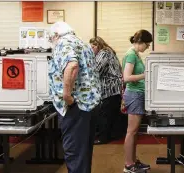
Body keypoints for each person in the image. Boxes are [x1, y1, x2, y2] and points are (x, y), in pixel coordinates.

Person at [48, 21, 101, 173]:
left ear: (56, 35)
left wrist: (67, 96)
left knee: (74, 152)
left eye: (51, 39)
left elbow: (72, 66)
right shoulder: (82, 44)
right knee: (83, 152)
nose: (52, 43)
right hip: (89, 104)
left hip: (75, 106)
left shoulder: (63, 43)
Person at [122, 29, 153, 173]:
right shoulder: (130, 55)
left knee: (135, 132)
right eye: (147, 44)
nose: (147, 47)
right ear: (140, 42)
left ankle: (133, 161)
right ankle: (129, 165)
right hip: (134, 95)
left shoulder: (135, 54)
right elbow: (126, 78)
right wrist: (145, 75)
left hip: (137, 94)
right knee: (131, 132)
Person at [89, 36, 125, 144]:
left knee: (104, 114)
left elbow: (96, 70)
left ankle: (102, 138)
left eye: (92, 47)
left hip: (109, 88)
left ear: (97, 45)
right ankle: (114, 135)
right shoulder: (109, 52)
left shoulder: (104, 53)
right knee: (111, 114)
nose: (91, 50)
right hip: (114, 88)